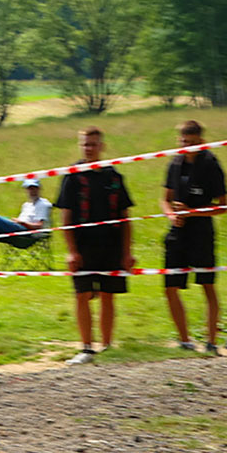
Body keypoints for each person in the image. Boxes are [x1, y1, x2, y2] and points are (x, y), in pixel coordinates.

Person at [54, 128, 134, 365]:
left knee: (109, 295)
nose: (89, 148)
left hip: (111, 245)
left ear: (102, 146)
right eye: (85, 144)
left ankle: (107, 346)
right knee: (82, 294)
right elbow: (66, 218)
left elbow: (126, 218)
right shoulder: (72, 176)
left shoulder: (114, 176)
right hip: (83, 246)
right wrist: (71, 251)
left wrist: (127, 252)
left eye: (93, 144)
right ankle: (86, 347)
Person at [161, 120, 227, 355]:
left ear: (201, 141)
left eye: (191, 142)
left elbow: (223, 207)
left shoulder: (211, 165)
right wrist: (172, 215)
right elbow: (165, 198)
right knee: (170, 287)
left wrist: (192, 212)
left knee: (207, 285)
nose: (186, 146)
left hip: (202, 232)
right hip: (178, 233)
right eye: (183, 142)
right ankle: (185, 340)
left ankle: (211, 341)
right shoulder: (175, 163)